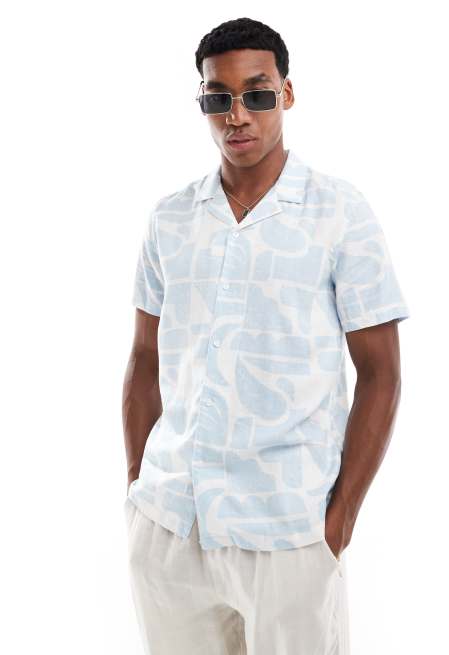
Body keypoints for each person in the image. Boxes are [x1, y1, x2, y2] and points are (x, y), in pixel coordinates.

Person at [122, 16, 410, 655]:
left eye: (256, 94)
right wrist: (140, 486)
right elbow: (144, 357)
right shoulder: (170, 219)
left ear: (287, 93)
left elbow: (382, 372)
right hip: (171, 528)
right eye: (218, 98)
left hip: (288, 533)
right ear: (202, 103)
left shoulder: (339, 213)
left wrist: (339, 521)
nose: (237, 115)